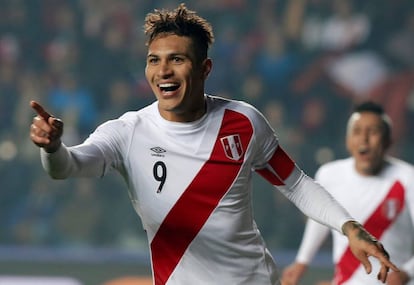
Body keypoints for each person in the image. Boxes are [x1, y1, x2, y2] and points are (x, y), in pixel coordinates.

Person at [29, 4, 398, 285]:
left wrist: (351, 228)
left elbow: (296, 184)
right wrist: (52, 148)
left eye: (177, 59)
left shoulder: (244, 122)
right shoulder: (128, 131)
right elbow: (69, 167)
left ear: (204, 69)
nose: (163, 71)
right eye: (154, 60)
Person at [281, 101, 414, 285]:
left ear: (388, 141)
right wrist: (302, 262)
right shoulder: (330, 174)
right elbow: (319, 219)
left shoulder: (408, 178)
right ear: (347, 140)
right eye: (357, 132)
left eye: (373, 132)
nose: (364, 139)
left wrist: (407, 273)